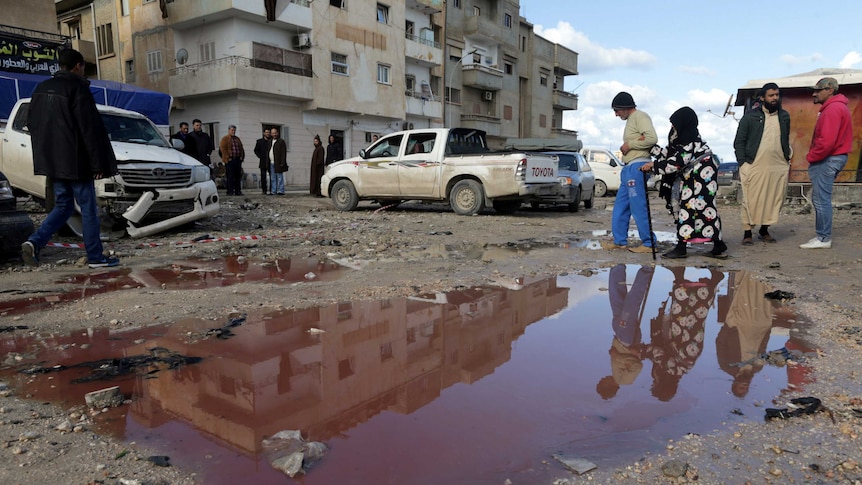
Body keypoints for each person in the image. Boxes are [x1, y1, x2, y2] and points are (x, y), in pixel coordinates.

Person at [21, 48, 120, 268]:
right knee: (88, 207)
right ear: (78, 66)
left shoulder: (40, 89)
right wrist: (97, 163)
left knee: (64, 205)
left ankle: (34, 242)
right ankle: (95, 256)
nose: (84, 72)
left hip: (53, 161)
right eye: (84, 67)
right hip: (77, 161)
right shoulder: (78, 89)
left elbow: (32, 124)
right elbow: (89, 129)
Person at [642, 107, 727, 259]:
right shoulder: (684, 140)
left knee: (692, 208)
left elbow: (675, 163)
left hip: (700, 177)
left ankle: (682, 246)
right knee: (703, 208)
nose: (673, 128)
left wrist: (653, 166)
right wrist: (651, 148)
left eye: (675, 124)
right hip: (698, 177)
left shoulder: (690, 143)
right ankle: (717, 244)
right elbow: (670, 155)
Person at [733, 82, 792, 245]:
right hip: (754, 164)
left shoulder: (784, 116)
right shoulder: (750, 117)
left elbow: (785, 139)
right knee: (750, 199)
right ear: (762, 97)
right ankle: (747, 233)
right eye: (771, 95)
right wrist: (743, 163)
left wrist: (786, 159)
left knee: (773, 198)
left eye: (777, 95)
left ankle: (764, 230)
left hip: (777, 164)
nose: (775, 98)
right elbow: (739, 141)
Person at [800, 77, 853, 249]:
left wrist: (811, 157)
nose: (814, 93)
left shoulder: (833, 109)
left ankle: (823, 238)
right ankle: (822, 236)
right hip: (834, 157)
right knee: (821, 198)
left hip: (828, 158)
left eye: (818, 90)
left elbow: (827, 141)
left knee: (821, 199)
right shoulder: (838, 107)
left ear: (830, 90)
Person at [606, 92, 658, 254]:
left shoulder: (640, 117)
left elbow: (652, 138)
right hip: (628, 167)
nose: (616, 114)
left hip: (638, 167)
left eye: (617, 110)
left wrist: (630, 145)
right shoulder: (631, 121)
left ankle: (649, 243)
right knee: (621, 206)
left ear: (624, 108)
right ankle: (619, 240)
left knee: (638, 206)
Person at [596, 264, 653, 400]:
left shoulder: (616, 375)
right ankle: (647, 270)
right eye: (603, 381)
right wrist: (616, 356)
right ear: (608, 385)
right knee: (631, 305)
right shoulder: (625, 381)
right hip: (627, 340)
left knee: (616, 298)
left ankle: (617, 267)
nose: (603, 378)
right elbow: (637, 366)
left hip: (619, 335)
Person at [219, 125, 245, 196]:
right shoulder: (225, 139)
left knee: (237, 176)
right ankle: (230, 191)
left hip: (237, 160)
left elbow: (241, 148)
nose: (233, 132)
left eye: (234, 130)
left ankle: (238, 191)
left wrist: (241, 157)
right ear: (229, 130)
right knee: (230, 176)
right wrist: (227, 157)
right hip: (229, 160)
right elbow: (222, 149)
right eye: (232, 130)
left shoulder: (237, 139)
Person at [269, 126, 288, 195]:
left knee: (280, 177)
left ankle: (281, 190)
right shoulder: (270, 141)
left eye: (275, 133)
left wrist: (282, 162)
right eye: (272, 133)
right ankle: (273, 191)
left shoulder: (281, 141)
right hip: (271, 162)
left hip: (278, 162)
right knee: (273, 178)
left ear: (277, 133)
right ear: (271, 134)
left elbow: (283, 153)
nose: (274, 134)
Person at [253, 128, 271, 194]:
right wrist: (260, 156)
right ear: (264, 133)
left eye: (269, 132)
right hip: (263, 161)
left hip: (270, 161)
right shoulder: (259, 141)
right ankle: (264, 190)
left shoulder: (271, 141)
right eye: (266, 132)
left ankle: (272, 190)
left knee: (272, 177)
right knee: (263, 177)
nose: (268, 133)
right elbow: (255, 150)